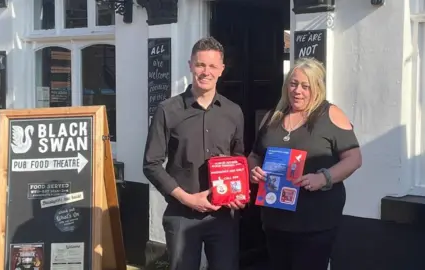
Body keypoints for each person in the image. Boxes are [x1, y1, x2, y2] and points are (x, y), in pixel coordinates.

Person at [248, 58, 362, 270]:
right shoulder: (272, 117)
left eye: (305, 85)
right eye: (293, 84)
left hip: (315, 222)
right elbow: (254, 155)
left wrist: (324, 178)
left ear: (317, 87)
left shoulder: (331, 114)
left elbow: (354, 159)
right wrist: (253, 171)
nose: (297, 90)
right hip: (275, 221)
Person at [143, 37, 245, 270]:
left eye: (212, 66)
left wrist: (239, 191)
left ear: (221, 69)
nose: (205, 72)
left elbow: (238, 159)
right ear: (190, 65)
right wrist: (187, 199)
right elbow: (151, 164)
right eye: (200, 65)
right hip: (182, 215)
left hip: (223, 217)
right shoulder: (167, 110)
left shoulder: (233, 112)